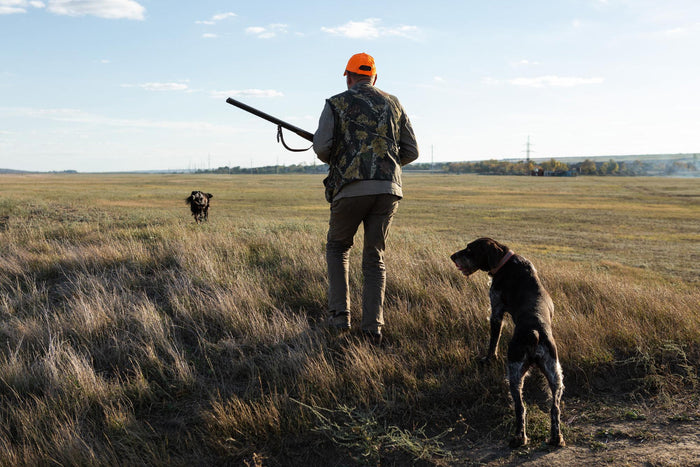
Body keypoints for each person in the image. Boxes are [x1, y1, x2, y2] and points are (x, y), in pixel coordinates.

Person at [313, 52, 419, 345]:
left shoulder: (336, 102)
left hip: (350, 188)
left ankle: (339, 319)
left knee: (337, 248)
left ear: (348, 76)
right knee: (375, 258)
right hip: (388, 190)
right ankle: (373, 327)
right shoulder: (394, 103)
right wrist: (383, 163)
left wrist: (349, 157)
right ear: (375, 78)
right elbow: (411, 151)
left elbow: (322, 148)